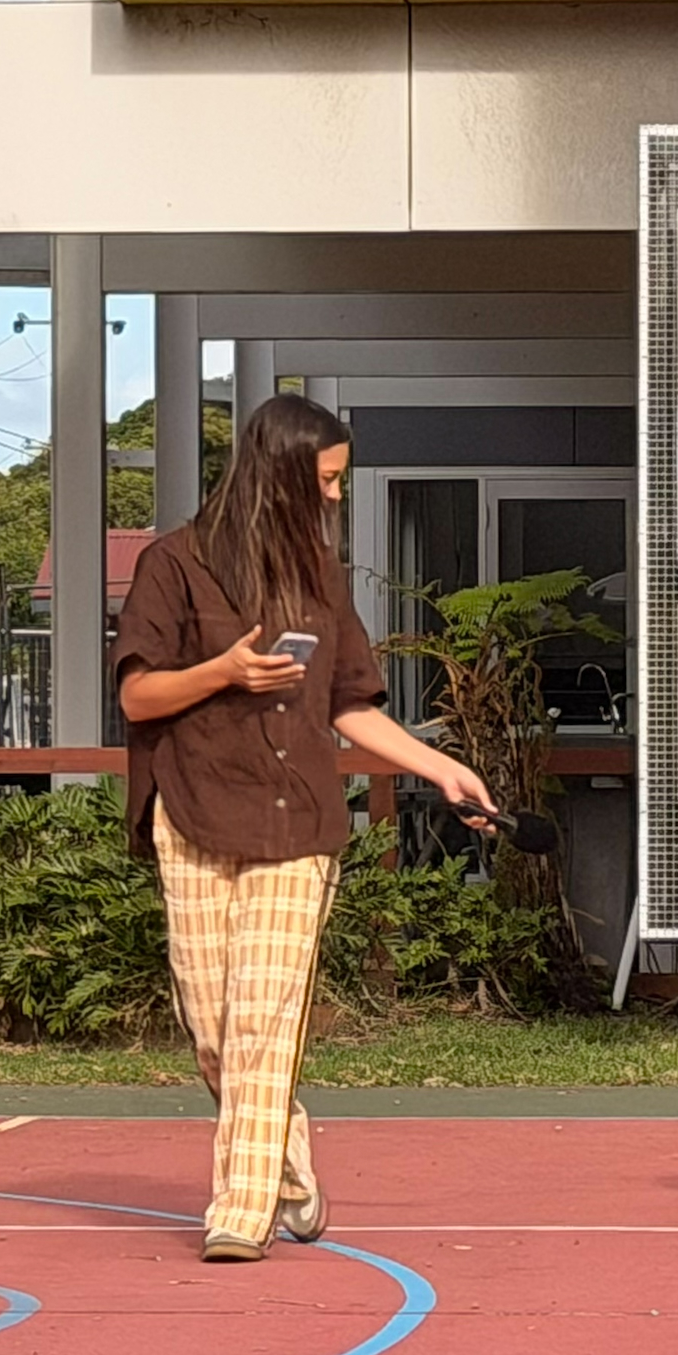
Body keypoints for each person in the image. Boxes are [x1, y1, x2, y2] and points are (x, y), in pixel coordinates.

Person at [111, 395, 496, 1263]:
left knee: (262, 1023)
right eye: (325, 480)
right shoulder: (173, 563)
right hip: (192, 815)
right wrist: (222, 671)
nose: (334, 496)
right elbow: (137, 696)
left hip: (297, 825)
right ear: (280, 474)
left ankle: (238, 1213)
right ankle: (288, 1171)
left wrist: (440, 768)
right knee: (214, 1035)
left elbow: (350, 705)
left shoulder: (321, 575)